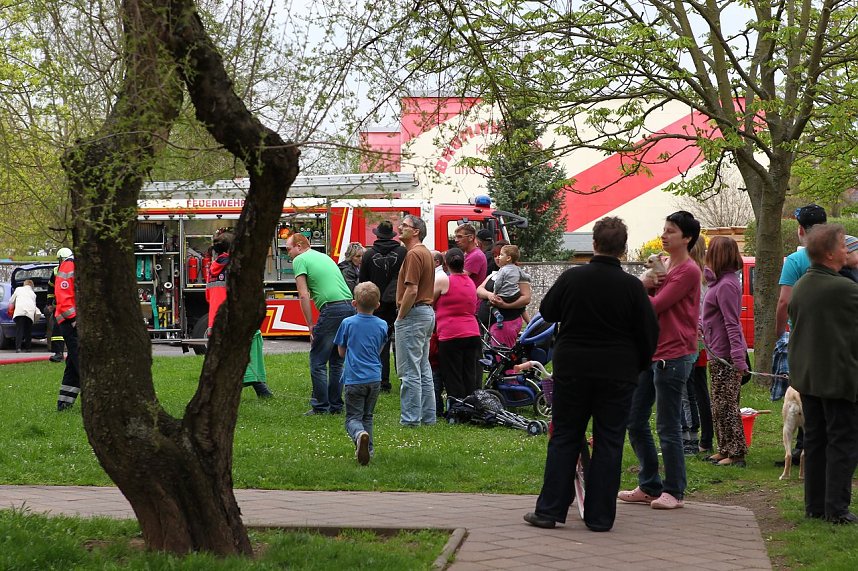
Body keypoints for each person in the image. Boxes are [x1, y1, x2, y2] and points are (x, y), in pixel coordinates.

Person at [524, 216, 659, 532]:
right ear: (623, 250)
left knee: (565, 436)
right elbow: (649, 332)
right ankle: (600, 517)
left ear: (594, 244)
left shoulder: (573, 279)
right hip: (618, 371)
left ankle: (549, 510)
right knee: (610, 440)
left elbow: (547, 312)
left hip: (573, 368)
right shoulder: (632, 287)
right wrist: (637, 366)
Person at [620, 210, 701, 510]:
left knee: (668, 426)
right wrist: (644, 282)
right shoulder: (663, 264)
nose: (665, 235)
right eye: (664, 230)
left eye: (672, 231)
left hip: (675, 354)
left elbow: (655, 306)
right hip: (651, 351)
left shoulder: (688, 271)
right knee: (634, 419)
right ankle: (649, 484)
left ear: (687, 238)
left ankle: (674, 491)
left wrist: (639, 288)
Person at [787, 224, 858, 524]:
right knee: (842, 441)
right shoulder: (844, 288)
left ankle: (815, 505)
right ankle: (837, 509)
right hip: (837, 378)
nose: (848, 250)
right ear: (830, 253)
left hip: (808, 377)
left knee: (815, 440)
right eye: (844, 245)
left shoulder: (803, 283)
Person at [773, 204, 827, 463]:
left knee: (802, 390)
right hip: (832, 338)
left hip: (802, 338)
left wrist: (778, 332)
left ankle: (803, 448)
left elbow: (784, 302)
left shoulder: (795, 261)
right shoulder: (839, 256)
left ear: (801, 231)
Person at [288, 232, 356, 415]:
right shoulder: (323, 256)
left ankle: (320, 407)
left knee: (318, 361)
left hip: (332, 309)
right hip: (349, 306)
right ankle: (335, 405)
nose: (289, 254)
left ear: (300, 246)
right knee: (336, 362)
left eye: (289, 249)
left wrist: (310, 324)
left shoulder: (300, 260)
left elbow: (303, 294)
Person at [205, 229, 273, 398]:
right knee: (246, 350)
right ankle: (254, 388)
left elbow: (208, 296)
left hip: (217, 318)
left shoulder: (212, 269)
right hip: (234, 317)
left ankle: (257, 389)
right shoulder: (234, 267)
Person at [701, 236, 749, 467]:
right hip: (715, 352)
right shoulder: (718, 283)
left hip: (726, 356)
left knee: (727, 405)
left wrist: (739, 360)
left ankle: (737, 452)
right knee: (717, 403)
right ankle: (724, 448)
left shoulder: (728, 284)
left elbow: (732, 323)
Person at [334, 282, 389, 466]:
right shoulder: (382, 325)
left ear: (354, 303)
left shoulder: (347, 323)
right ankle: (368, 451)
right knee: (368, 416)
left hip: (354, 378)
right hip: (374, 377)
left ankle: (359, 435)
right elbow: (380, 348)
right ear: (378, 304)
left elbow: (341, 352)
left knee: (352, 418)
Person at [395, 214, 437, 426]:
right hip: (426, 312)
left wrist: (401, 316)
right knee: (423, 369)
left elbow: (411, 289)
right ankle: (428, 418)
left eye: (404, 225)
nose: (399, 227)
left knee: (409, 371)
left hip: (413, 314)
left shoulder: (413, 254)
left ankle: (410, 420)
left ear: (416, 231)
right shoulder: (426, 253)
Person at [359, 221, 407, 393]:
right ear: (392, 235)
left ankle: (382, 382)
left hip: (377, 305)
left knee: (381, 344)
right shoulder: (403, 252)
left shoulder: (368, 254)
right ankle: (405, 381)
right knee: (401, 344)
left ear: (377, 235)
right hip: (400, 303)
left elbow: (362, 282)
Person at [433, 248, 481, 409]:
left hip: (451, 333)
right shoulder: (470, 282)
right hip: (472, 332)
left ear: (446, 263)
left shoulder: (444, 281)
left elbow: (430, 301)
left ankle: (457, 408)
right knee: (469, 372)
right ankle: (471, 405)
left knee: (452, 373)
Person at [476, 271, 532, 349]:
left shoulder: (518, 277)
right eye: (495, 257)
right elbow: (479, 289)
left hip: (504, 323)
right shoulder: (494, 274)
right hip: (486, 325)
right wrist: (489, 295)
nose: (497, 258)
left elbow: (524, 301)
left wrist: (505, 305)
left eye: (500, 257)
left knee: (501, 357)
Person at [54, 248, 80, 411]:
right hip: (70, 322)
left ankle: (64, 403)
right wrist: (75, 319)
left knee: (73, 363)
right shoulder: (69, 266)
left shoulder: (72, 265)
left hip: (71, 321)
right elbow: (63, 298)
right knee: (82, 361)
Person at [489, 245, 530, 329]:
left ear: (508, 258)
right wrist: (529, 278)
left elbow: (498, 283)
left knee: (490, 305)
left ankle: (498, 315)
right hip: (515, 294)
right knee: (521, 308)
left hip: (504, 295)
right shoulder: (517, 269)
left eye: (501, 255)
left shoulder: (502, 270)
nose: (499, 257)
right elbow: (524, 276)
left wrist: (495, 292)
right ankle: (529, 323)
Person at [9, 279, 42, 353]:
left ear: (24, 284)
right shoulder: (33, 294)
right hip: (29, 313)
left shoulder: (18, 289)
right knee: (28, 331)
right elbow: (34, 304)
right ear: (31, 286)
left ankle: (18, 348)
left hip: (19, 312)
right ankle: (28, 348)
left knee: (19, 330)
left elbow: (11, 301)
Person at [45, 259, 65, 362]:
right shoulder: (56, 270)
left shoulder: (76, 268)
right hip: (60, 304)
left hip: (68, 304)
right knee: (57, 329)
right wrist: (49, 303)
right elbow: (51, 287)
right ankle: (58, 353)